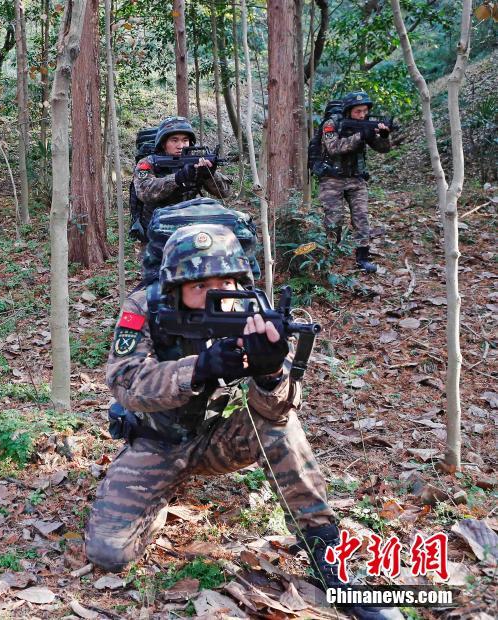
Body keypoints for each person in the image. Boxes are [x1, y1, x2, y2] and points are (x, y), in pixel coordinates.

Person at [86, 224, 401, 620]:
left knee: (281, 428)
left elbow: (279, 409)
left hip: (221, 436)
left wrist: (270, 374)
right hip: (156, 441)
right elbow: (125, 382)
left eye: (224, 282)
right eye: (199, 285)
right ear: (175, 286)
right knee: (108, 553)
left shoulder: (255, 311)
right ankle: (161, 493)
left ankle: (329, 561)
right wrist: (199, 368)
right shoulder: (146, 306)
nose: (215, 294)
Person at [317, 91, 391, 273]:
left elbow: (383, 149)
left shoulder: (365, 125)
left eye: (365, 111)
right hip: (332, 179)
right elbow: (333, 148)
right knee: (334, 219)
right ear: (348, 110)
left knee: (361, 217)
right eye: (358, 111)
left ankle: (362, 257)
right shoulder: (331, 124)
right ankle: (330, 256)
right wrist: (360, 136)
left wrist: (383, 136)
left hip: (356, 178)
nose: (362, 115)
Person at [130, 116, 232, 237]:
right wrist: (178, 178)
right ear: (163, 143)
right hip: (158, 226)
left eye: (185, 140)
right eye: (174, 140)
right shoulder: (148, 162)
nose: (181, 145)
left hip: (190, 224)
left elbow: (225, 192)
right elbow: (144, 192)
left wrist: (209, 175)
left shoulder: (196, 161)